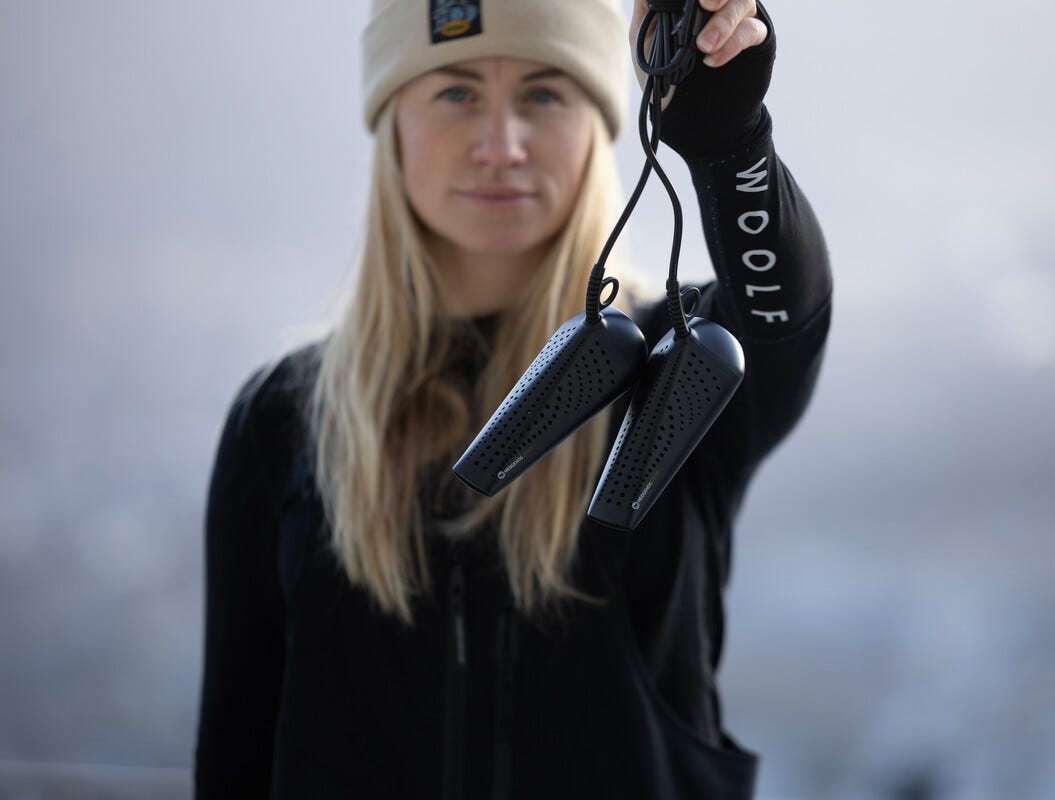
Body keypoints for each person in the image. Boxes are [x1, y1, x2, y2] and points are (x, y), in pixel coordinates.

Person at [195, 0, 831, 797]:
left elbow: (783, 321)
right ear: (392, 121)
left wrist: (729, 141)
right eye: (456, 92)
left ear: (599, 124)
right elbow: (235, 754)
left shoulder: (677, 371)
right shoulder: (285, 419)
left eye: (544, 93)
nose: (501, 145)